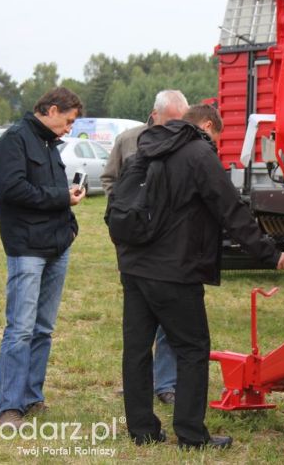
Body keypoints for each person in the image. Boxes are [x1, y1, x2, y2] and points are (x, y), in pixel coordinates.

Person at [114, 104, 284, 449]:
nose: (215, 144)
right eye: (217, 137)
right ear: (208, 125)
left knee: (136, 349)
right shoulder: (199, 154)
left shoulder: (147, 147)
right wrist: (271, 254)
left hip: (134, 265)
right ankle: (191, 435)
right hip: (175, 269)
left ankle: (142, 430)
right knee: (193, 349)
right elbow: (231, 211)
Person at [0, 87, 86, 428]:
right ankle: (9, 407)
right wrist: (62, 197)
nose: (69, 128)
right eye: (68, 121)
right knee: (20, 329)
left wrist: (70, 225)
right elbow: (12, 189)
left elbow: (49, 191)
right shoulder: (14, 141)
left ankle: (31, 397)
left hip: (57, 246)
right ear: (52, 109)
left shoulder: (49, 143)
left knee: (43, 329)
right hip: (27, 249)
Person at [102, 89, 189, 405]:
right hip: (135, 242)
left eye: (181, 121)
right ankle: (138, 383)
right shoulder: (128, 140)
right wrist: (124, 213)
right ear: (154, 115)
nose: (176, 127)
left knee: (169, 317)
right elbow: (109, 179)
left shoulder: (185, 143)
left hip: (169, 244)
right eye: (171, 120)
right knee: (139, 321)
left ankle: (165, 383)